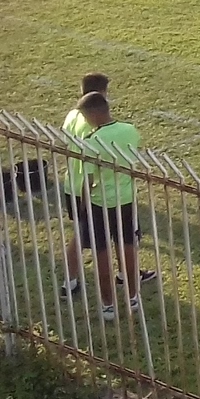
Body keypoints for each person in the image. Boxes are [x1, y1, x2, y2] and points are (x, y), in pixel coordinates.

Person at [74, 91, 148, 321]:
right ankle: (133, 296)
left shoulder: (92, 142)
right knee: (127, 247)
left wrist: (84, 208)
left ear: (94, 114)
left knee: (102, 254)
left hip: (101, 203)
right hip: (126, 199)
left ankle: (108, 305)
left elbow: (88, 181)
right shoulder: (130, 130)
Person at [58, 73, 119, 299]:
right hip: (90, 188)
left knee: (82, 232)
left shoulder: (72, 114)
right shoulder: (94, 122)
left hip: (71, 183)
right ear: (101, 93)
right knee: (108, 235)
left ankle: (71, 281)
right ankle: (71, 281)